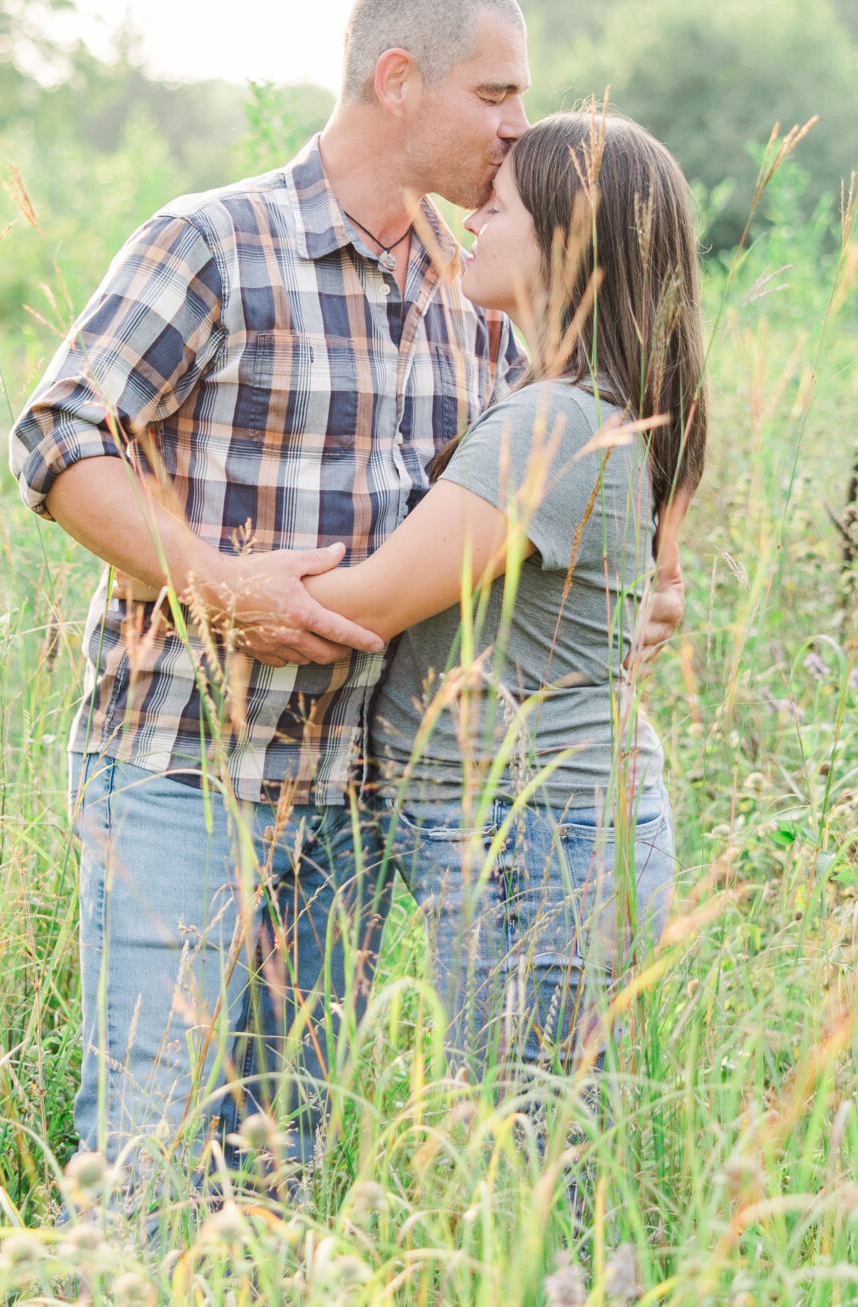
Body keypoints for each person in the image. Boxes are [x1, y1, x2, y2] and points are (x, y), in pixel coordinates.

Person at [7, 0, 534, 1201]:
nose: (518, 129)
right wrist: (213, 585)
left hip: (353, 803)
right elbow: (58, 440)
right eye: (494, 94)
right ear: (397, 81)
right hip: (184, 775)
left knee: (274, 1169)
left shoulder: (476, 294)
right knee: (143, 1158)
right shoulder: (215, 242)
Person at [300, 109, 703, 1087]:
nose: (472, 221)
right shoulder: (583, 400)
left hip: (532, 838)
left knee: (526, 1157)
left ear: (568, 239)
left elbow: (364, 606)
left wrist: (185, 570)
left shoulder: (551, 423)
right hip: (547, 827)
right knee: (537, 1145)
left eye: (502, 208)